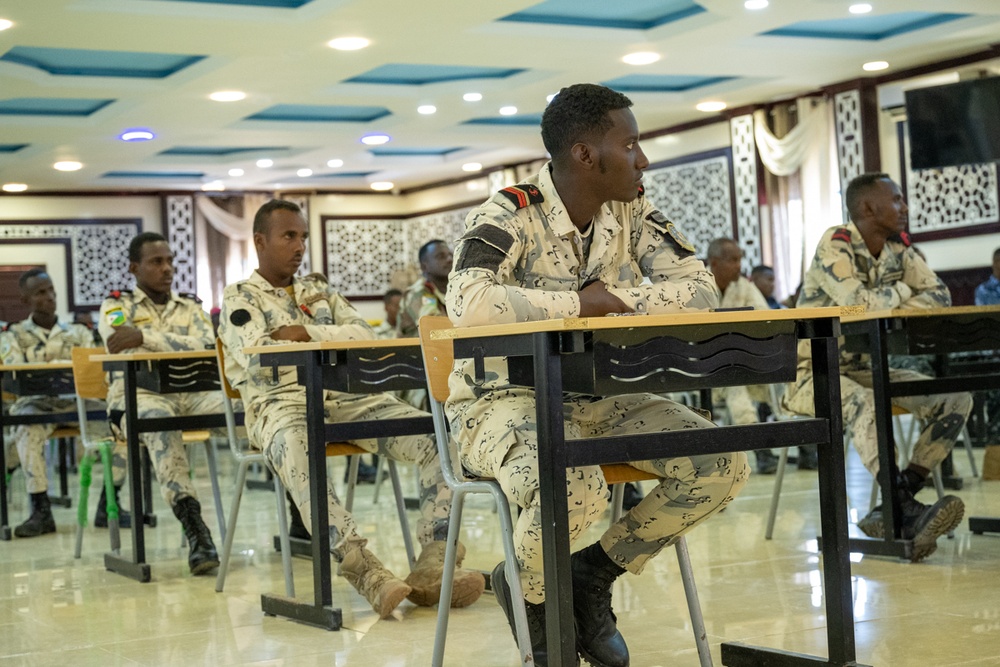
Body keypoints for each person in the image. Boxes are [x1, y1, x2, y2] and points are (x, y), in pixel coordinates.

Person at [445, 83, 749, 667]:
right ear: (586, 154)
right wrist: (580, 305)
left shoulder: (631, 209)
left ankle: (587, 573)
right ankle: (537, 599)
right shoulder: (510, 212)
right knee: (572, 480)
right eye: (631, 143)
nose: (644, 160)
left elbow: (701, 290)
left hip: (597, 394)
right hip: (499, 401)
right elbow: (468, 304)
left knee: (721, 460)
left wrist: (620, 300)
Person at [219, 199, 484, 619]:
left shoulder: (319, 290)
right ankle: (365, 571)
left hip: (350, 399)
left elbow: (363, 334)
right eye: (289, 236)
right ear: (259, 241)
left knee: (438, 437)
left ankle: (435, 563)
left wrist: (305, 330)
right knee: (300, 451)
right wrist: (325, 337)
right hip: (281, 406)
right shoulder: (240, 297)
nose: (299, 245)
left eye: (304, 236)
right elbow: (260, 354)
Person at [783, 172, 972, 562]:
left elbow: (940, 296)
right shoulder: (835, 243)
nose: (904, 207)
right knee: (866, 404)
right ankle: (902, 508)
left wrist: (887, 298)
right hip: (812, 372)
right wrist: (904, 291)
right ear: (868, 207)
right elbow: (857, 306)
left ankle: (898, 501)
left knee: (954, 398)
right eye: (897, 200)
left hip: (867, 366)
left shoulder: (898, 249)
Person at [98, 232, 222, 575]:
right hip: (138, 396)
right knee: (161, 423)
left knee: (244, 412)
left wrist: (145, 337)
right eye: (157, 262)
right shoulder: (116, 307)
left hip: (191, 394)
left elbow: (206, 344)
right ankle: (196, 529)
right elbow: (120, 345)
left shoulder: (191, 306)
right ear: (134, 268)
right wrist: (146, 341)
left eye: (170, 261)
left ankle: (297, 517)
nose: (167, 269)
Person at [0, 269, 125, 537]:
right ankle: (41, 510)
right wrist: (62, 368)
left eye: (51, 290)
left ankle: (109, 504)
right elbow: (15, 369)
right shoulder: (14, 335)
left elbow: (93, 370)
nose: (50, 297)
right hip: (36, 404)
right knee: (26, 431)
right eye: (40, 293)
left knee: (122, 425)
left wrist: (47, 367)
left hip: (77, 404)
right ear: (26, 300)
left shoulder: (78, 332)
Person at [706, 240, 809, 474]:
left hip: (746, 360)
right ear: (713, 263)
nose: (739, 266)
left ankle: (806, 446)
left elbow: (767, 322)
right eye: (733, 260)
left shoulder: (744, 287)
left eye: (740, 260)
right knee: (734, 384)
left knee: (786, 381)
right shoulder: (697, 287)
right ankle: (761, 451)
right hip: (709, 367)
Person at [397, 240, 452, 338]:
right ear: (424, 266)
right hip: (416, 352)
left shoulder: (455, 290)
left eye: (450, 255)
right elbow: (435, 331)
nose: (449, 259)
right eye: (441, 256)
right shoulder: (418, 292)